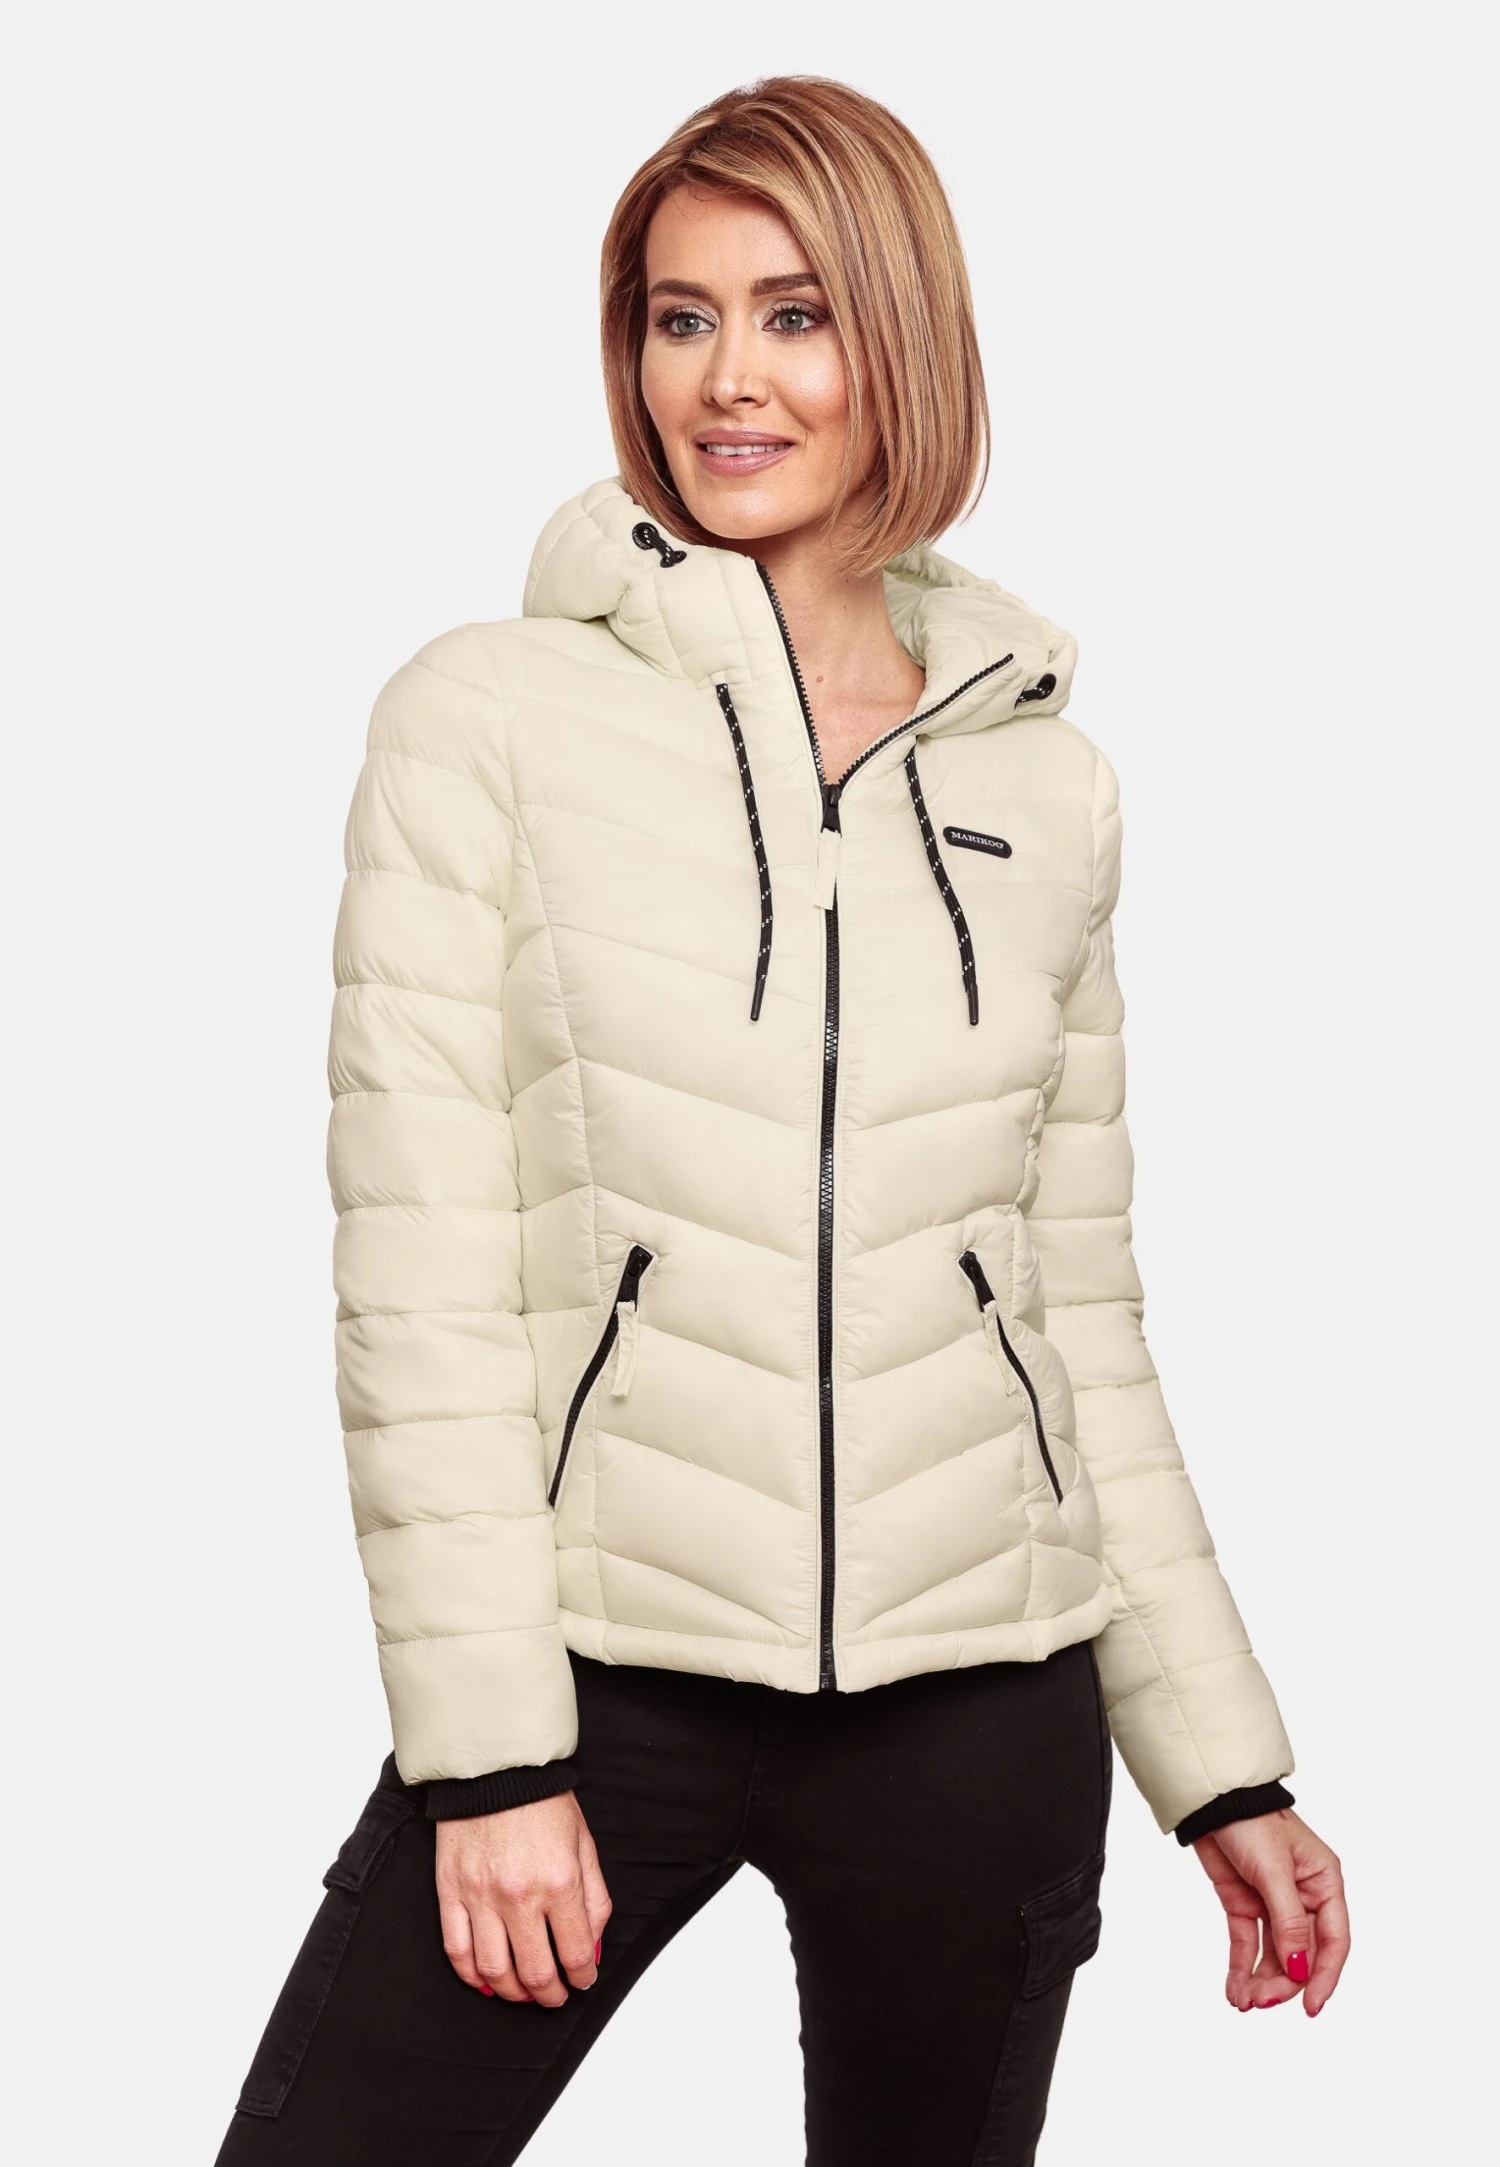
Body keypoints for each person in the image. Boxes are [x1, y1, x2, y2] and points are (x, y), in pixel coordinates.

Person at [214, 73, 1349, 2167]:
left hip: (984, 1699)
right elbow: (422, 1283)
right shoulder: (486, 719)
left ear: (901, 339)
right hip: (601, 1678)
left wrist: (1222, 1763)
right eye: (681, 316)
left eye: (795, 313)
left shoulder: (1046, 783)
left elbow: (1075, 1315)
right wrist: (488, 1763)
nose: (727, 378)